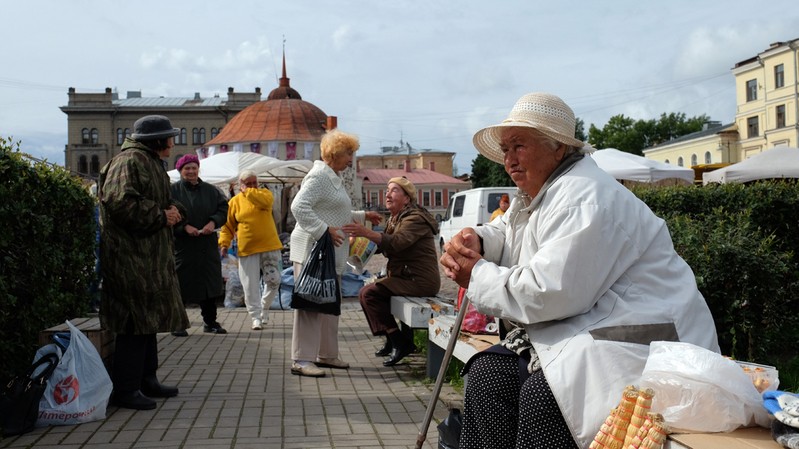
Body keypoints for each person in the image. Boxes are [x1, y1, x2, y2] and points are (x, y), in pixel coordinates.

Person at [440, 92, 720, 448]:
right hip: (594, 327)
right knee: (488, 375)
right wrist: (478, 240)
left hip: (649, 339)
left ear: (558, 148)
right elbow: (510, 231)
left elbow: (550, 292)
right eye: (505, 149)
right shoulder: (544, 190)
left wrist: (475, 273)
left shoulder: (584, 196)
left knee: (547, 396)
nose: (508, 160)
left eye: (518, 146)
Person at [97, 115, 190, 410]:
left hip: (150, 259)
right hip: (130, 260)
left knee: (148, 322)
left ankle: (147, 379)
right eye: (170, 137)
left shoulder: (150, 163)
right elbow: (118, 202)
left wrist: (174, 212)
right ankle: (126, 390)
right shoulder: (129, 161)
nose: (173, 142)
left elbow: (167, 203)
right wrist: (162, 215)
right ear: (157, 140)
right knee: (133, 324)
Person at [288, 129, 382, 377]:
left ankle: (326, 354)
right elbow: (298, 206)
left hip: (329, 251)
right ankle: (301, 358)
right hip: (312, 250)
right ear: (335, 154)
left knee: (329, 302)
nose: (351, 159)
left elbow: (334, 211)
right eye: (349, 153)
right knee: (310, 304)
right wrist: (323, 230)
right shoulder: (319, 176)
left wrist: (362, 216)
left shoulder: (332, 176)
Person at [342, 177, 441, 367]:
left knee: (369, 294)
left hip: (419, 280)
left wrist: (366, 232)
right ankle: (392, 339)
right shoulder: (396, 218)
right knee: (371, 291)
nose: (387, 194)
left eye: (394, 190)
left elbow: (396, 243)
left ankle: (399, 342)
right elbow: (381, 245)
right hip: (404, 276)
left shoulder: (414, 219)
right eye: (387, 190)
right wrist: (357, 241)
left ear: (407, 199)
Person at [170, 154, 229, 336]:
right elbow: (167, 214)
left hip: (207, 244)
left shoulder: (212, 190)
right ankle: (178, 324)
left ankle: (210, 322)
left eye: (194, 167)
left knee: (209, 284)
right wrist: (184, 227)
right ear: (180, 171)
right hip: (183, 246)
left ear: (198, 169)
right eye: (187, 168)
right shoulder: (172, 191)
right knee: (181, 284)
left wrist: (213, 223)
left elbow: (223, 209)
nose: (191, 171)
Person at [218, 170, 283, 331]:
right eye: (248, 183)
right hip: (247, 249)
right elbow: (227, 226)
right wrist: (224, 243)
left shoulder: (265, 194)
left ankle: (264, 307)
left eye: (255, 182)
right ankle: (256, 317)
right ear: (240, 185)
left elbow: (265, 203)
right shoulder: (234, 202)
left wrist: (249, 191)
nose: (253, 186)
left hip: (269, 246)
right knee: (249, 285)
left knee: (274, 280)